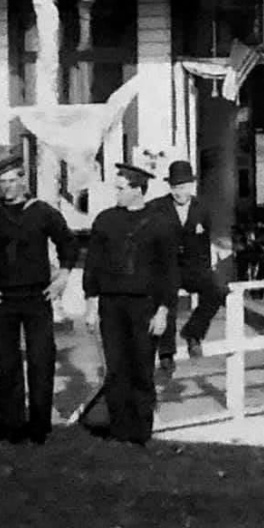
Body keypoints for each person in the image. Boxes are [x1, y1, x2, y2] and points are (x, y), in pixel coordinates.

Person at [0, 157, 75, 445]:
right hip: (2, 300)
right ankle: (11, 427)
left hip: (37, 297)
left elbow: (68, 242)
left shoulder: (41, 212)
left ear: (23, 181)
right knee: (6, 363)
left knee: (40, 361)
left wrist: (62, 276)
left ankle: (39, 428)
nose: (9, 187)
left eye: (13, 180)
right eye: (3, 182)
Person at [82, 163, 179, 445]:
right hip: (111, 306)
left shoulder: (160, 223)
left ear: (138, 190)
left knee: (141, 369)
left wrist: (163, 311)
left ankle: (140, 434)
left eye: (121, 188)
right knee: (116, 368)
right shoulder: (105, 221)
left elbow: (169, 271)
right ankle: (119, 431)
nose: (117, 193)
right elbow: (93, 266)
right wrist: (90, 306)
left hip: (144, 307)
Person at [153, 160, 226, 372]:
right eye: (175, 188)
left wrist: (214, 263)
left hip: (195, 268)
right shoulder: (157, 207)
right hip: (167, 268)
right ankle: (166, 353)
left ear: (192, 186)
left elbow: (218, 237)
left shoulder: (204, 208)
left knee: (218, 289)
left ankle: (193, 333)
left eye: (183, 187)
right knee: (166, 301)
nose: (179, 192)